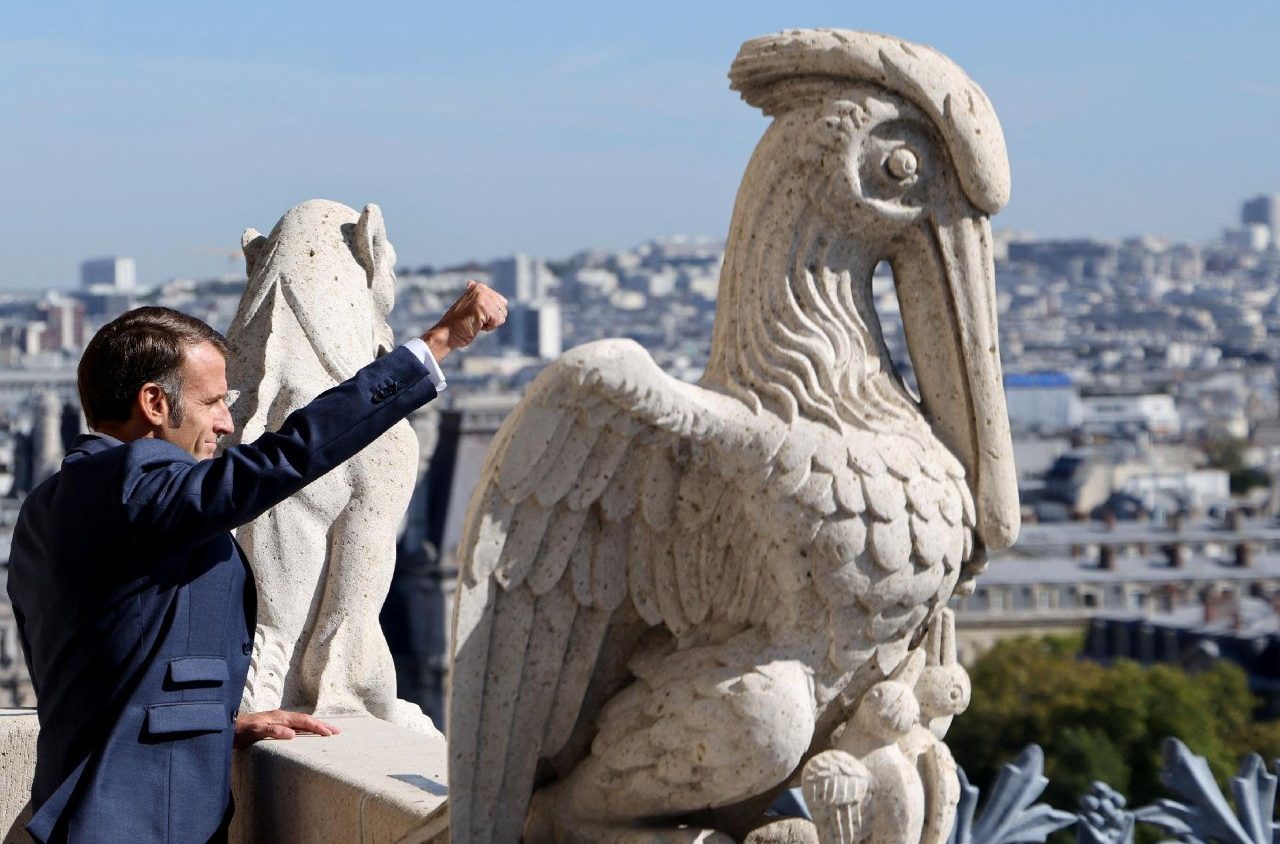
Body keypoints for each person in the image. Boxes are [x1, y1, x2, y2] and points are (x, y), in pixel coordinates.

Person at [7, 280, 508, 843]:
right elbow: (283, 459)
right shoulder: (136, 484)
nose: (225, 422)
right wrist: (433, 345)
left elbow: (101, 667)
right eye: (213, 401)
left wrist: (209, 726)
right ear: (153, 403)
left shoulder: (46, 506)